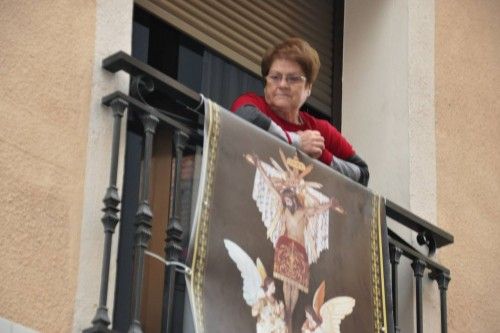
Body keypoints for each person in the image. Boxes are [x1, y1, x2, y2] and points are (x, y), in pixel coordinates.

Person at [231, 37, 369, 186]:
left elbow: (362, 174)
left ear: (308, 87)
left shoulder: (321, 131)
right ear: (265, 84)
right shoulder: (253, 104)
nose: (283, 84)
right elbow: (245, 118)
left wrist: (321, 155)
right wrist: (297, 142)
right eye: (275, 77)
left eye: (293, 78)